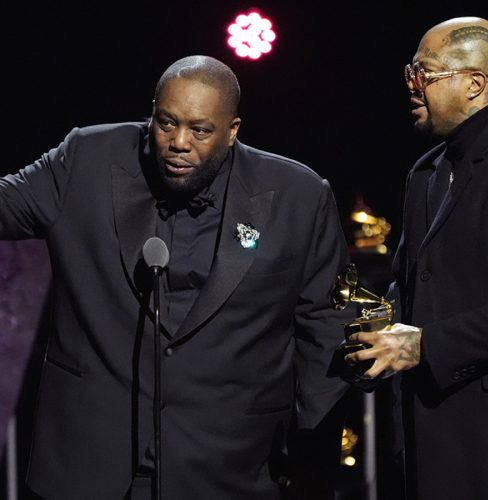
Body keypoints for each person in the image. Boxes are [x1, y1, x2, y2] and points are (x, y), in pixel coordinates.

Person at [0, 55, 352, 500]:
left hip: (231, 466)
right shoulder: (86, 157)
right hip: (88, 463)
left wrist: (313, 463)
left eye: (200, 130)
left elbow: (325, 329)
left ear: (233, 129)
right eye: (166, 123)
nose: (179, 142)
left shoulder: (298, 196)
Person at [345, 16, 488, 500]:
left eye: (423, 73)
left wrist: (425, 346)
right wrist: (360, 320)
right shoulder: (425, 172)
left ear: (475, 83)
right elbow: (407, 288)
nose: (410, 86)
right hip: (421, 433)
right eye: (408, 72)